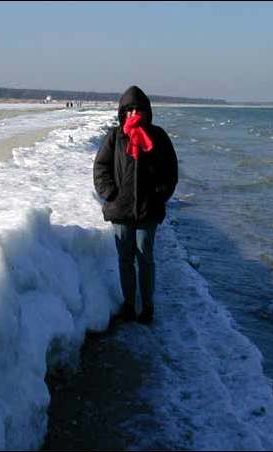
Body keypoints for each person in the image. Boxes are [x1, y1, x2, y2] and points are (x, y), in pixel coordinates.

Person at [93, 85, 178, 324]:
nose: (133, 114)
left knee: (145, 257)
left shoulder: (158, 136)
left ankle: (148, 307)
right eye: (128, 110)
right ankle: (129, 305)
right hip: (121, 211)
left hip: (147, 211)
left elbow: (170, 170)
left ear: (147, 111)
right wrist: (110, 194)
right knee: (125, 259)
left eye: (138, 110)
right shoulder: (115, 137)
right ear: (122, 112)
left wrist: (159, 195)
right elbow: (101, 167)